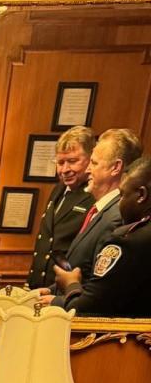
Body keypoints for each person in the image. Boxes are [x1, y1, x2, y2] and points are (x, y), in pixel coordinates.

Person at [55, 155, 151, 320]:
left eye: (122, 195)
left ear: (141, 195)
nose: (119, 204)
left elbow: (83, 310)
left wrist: (71, 284)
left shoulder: (127, 241)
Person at [52, 128, 142, 302]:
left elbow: (101, 291)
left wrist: (57, 300)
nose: (87, 171)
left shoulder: (117, 216)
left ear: (115, 167)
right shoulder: (102, 209)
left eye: (93, 163)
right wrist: (52, 291)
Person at [26, 127, 95, 290]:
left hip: (64, 290)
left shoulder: (94, 195)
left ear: (91, 160)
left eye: (72, 161)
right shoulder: (58, 189)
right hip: (40, 287)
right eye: (60, 162)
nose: (64, 170)